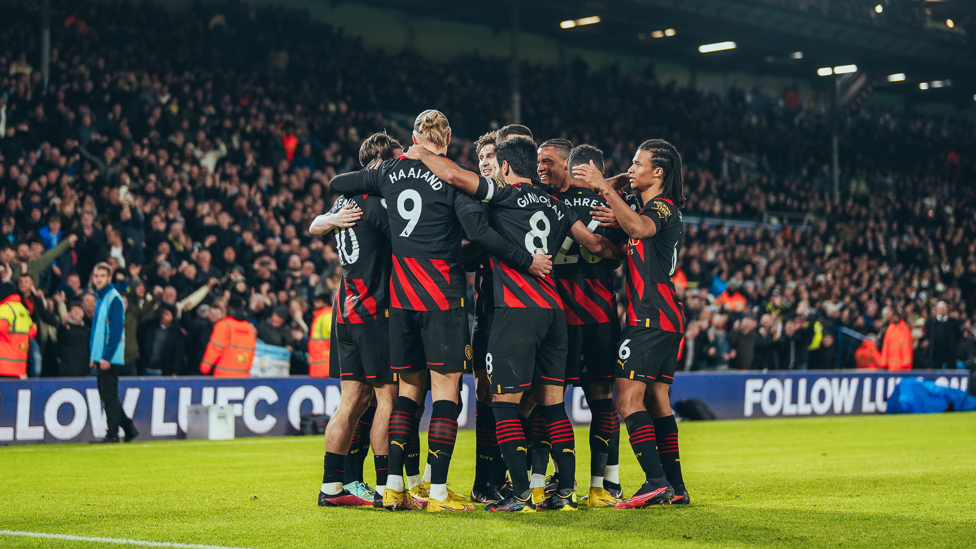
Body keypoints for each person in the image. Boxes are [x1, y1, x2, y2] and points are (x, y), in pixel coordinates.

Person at [408, 135, 621, 512]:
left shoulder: (501, 195)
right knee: (554, 405)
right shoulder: (556, 201)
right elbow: (594, 244)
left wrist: (423, 152)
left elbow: (455, 177)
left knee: (503, 405)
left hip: (515, 311)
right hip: (555, 311)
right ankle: (565, 494)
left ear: (504, 168)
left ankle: (520, 492)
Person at [328, 111, 524, 512]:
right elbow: (479, 232)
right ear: (448, 136)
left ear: (415, 136)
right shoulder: (454, 176)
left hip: (399, 304)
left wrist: (330, 217)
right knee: (446, 394)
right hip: (442, 299)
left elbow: (339, 182)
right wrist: (523, 257)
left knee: (406, 395)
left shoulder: (385, 173)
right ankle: (436, 491)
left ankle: (395, 487)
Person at [573, 138, 690, 507]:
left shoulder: (662, 207)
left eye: (639, 164)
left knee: (625, 398)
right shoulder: (649, 207)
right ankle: (676, 486)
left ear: (659, 172)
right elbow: (633, 227)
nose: (632, 169)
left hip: (650, 317)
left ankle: (654, 481)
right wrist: (619, 191)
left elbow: (639, 229)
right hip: (665, 316)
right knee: (657, 401)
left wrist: (606, 185)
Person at [310, 132, 400, 508]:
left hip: (345, 307)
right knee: (387, 399)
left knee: (352, 401)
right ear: (381, 163)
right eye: (396, 162)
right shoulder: (377, 204)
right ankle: (385, 489)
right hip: (372, 309)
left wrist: (327, 219)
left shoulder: (341, 201)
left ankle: (332, 488)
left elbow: (315, 225)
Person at [554, 144, 630, 507]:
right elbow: (620, 256)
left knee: (550, 402)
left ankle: (551, 480)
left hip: (562, 319)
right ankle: (603, 484)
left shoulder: (551, 201)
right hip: (601, 318)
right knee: (602, 403)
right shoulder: (613, 209)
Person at [90, 262, 138, 443]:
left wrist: (105, 356)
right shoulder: (103, 298)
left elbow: (116, 331)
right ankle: (128, 428)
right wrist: (94, 356)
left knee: (109, 395)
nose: (99, 279)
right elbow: (99, 331)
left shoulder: (113, 298)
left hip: (109, 357)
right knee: (108, 395)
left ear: (109, 278)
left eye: (102, 276)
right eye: (96, 276)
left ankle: (112, 433)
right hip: (102, 356)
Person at [200, 296, 257, 377]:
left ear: (228, 308)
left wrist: (204, 368)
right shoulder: (250, 328)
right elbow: (252, 352)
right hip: (243, 376)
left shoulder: (224, 325)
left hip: (223, 376)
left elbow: (215, 348)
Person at [0, 281, 36, 379]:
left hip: (3, 365)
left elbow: (1, 328)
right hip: (19, 366)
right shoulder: (23, 310)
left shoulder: (5, 309)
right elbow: (33, 331)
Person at [139, 303, 186, 376]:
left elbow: (178, 354)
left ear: (173, 317)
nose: (164, 316)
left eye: (167, 314)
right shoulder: (150, 327)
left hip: (163, 371)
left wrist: (175, 371)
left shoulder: (177, 333)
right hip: (146, 367)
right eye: (163, 313)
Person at [57, 300, 91, 377]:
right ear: (69, 313)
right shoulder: (65, 328)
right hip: (67, 371)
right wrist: (63, 325)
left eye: (79, 310)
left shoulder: (87, 330)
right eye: (74, 310)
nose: (77, 313)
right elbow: (61, 337)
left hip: (84, 371)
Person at [924, 301, 960, 369]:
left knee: (951, 371)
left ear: (947, 309)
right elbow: (927, 335)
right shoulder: (931, 322)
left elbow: (958, 337)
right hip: (935, 353)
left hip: (950, 353)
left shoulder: (953, 322)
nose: (942, 310)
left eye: (944, 308)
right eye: (940, 308)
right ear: (937, 310)